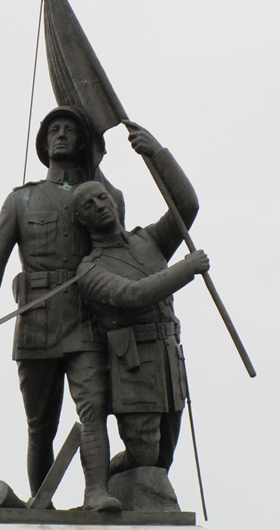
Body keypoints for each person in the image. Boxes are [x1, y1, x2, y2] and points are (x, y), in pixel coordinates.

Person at [0, 106, 123, 511]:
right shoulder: (20, 200)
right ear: (44, 144)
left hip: (85, 317)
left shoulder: (102, 198)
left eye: (70, 130)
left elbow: (118, 247)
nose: (61, 135)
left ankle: (96, 492)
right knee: (40, 425)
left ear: (82, 143)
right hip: (36, 321)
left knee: (94, 408)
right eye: (54, 130)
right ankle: (42, 504)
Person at [74, 120, 210, 476]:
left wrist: (157, 154)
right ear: (81, 219)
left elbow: (187, 205)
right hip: (134, 366)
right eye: (88, 204)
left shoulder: (148, 240)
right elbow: (132, 295)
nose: (99, 205)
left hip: (169, 358)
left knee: (163, 459)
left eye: (102, 197)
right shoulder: (89, 269)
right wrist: (186, 269)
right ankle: (105, 479)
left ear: (114, 201)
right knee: (145, 456)